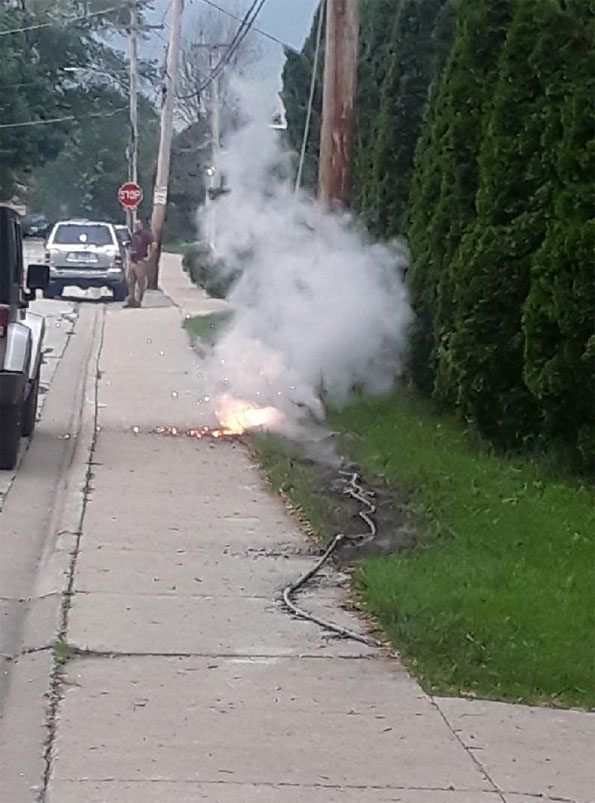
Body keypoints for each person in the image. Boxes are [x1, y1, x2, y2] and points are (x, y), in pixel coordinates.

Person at [124, 219, 156, 308]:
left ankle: (138, 301)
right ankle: (131, 299)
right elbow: (130, 246)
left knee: (141, 282)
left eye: (138, 225)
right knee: (130, 282)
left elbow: (154, 245)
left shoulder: (146, 235)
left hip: (140, 262)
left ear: (141, 225)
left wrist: (149, 256)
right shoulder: (133, 235)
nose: (136, 227)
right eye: (135, 225)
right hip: (132, 262)